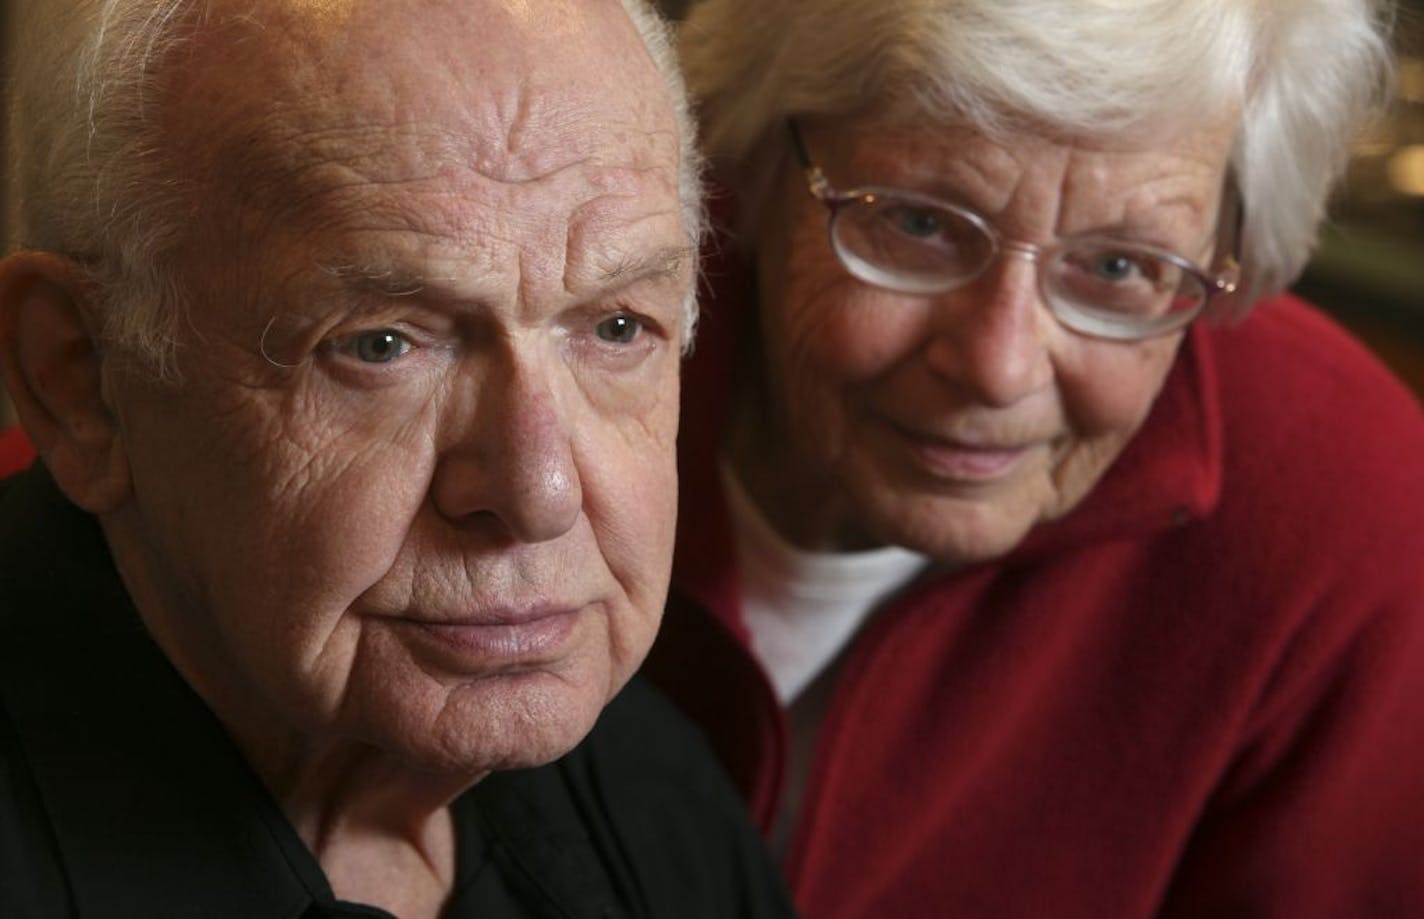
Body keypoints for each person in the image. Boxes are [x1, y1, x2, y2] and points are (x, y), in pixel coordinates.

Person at [0, 1, 796, 916]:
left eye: (617, 328)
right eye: (382, 344)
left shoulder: (666, 808)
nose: (538, 492)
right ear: (82, 382)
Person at [642, 0, 1424, 915]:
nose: (999, 367)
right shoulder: (564, 344)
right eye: (921, 224)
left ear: (1230, 255)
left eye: (1121, 268)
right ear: (762, 158)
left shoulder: (1351, 522)